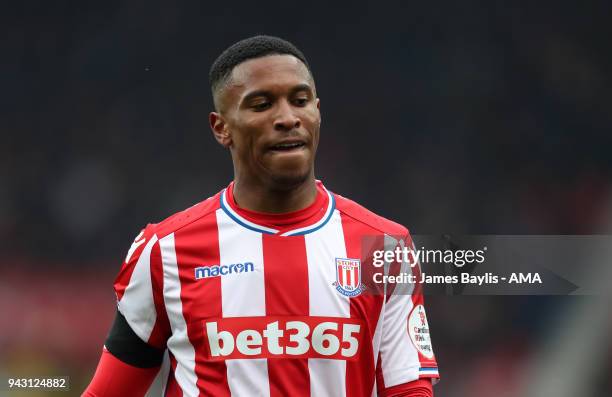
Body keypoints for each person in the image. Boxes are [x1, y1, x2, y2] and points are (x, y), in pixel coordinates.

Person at [83, 35, 439, 397]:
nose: (287, 118)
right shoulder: (164, 251)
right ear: (221, 128)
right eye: (262, 104)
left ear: (317, 111)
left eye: (300, 101)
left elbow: (409, 389)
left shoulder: (384, 246)